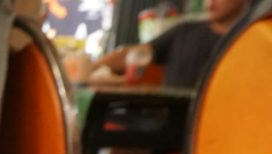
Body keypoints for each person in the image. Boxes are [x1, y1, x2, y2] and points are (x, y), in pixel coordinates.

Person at [93, 0, 250, 88]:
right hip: (167, 124)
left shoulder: (251, 41)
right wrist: (93, 68)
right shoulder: (185, 31)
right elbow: (135, 54)